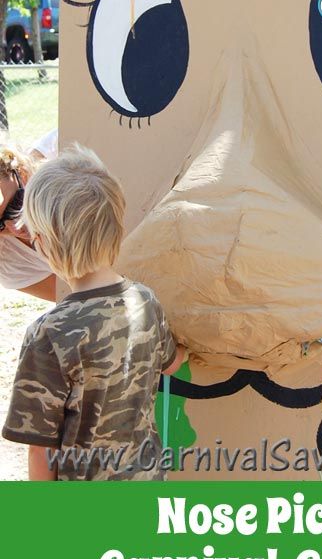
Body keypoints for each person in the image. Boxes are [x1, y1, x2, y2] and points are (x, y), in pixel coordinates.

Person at [2, 145, 185, 481]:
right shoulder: (145, 301)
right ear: (116, 228)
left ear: (43, 244)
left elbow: (40, 449)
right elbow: (172, 363)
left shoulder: (48, 334)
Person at [0, 146, 55, 300]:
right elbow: (77, 298)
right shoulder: (10, 265)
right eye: (0, 225)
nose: (15, 227)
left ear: (22, 174)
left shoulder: (69, 189)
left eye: (15, 205)